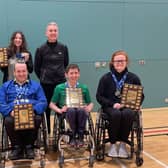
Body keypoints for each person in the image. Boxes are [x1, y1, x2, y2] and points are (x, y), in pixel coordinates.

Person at [96, 50, 144, 158]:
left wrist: (135, 104)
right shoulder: (105, 78)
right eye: (117, 61)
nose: (119, 63)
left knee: (128, 114)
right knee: (116, 114)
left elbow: (141, 95)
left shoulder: (133, 78)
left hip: (127, 107)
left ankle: (122, 145)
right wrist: (112, 104)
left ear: (127, 62)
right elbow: (99, 96)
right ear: (112, 62)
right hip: (111, 107)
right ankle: (112, 144)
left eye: (122, 60)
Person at [0, 61, 47, 160]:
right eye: (19, 71)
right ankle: (17, 147)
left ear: (27, 72)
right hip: (13, 115)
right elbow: (1, 103)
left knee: (38, 118)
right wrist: (10, 112)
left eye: (24, 71)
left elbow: (43, 102)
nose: (21, 74)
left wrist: (33, 111)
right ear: (14, 73)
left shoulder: (36, 85)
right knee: (8, 120)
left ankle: (29, 146)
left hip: (31, 113)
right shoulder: (5, 86)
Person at [34, 22, 69, 134]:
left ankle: (61, 132)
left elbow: (65, 63)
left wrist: (59, 74)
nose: (53, 32)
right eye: (51, 30)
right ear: (46, 33)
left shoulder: (63, 48)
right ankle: (47, 132)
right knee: (46, 110)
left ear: (57, 32)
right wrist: (45, 77)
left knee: (61, 109)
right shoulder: (40, 49)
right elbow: (37, 67)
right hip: (46, 84)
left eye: (55, 30)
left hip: (60, 84)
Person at [49, 64, 93, 147]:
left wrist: (88, 108)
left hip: (81, 112)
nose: (74, 75)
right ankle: (72, 135)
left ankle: (80, 136)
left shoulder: (84, 87)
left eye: (76, 73)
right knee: (71, 110)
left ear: (79, 74)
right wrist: (60, 110)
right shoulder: (59, 88)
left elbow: (90, 103)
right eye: (71, 73)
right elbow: (51, 104)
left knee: (81, 110)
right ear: (66, 75)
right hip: (66, 113)